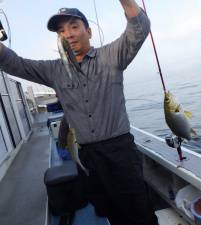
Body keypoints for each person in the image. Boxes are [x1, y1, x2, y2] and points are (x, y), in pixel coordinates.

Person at [0, 1, 158, 225]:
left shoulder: (111, 56)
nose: (68, 34)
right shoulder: (53, 70)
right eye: (61, 31)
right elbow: (12, 62)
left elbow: (139, 27)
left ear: (89, 31)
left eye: (74, 26)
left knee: (139, 212)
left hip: (119, 151)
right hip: (86, 156)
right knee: (107, 210)